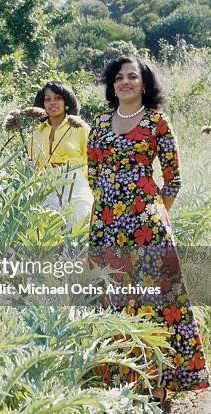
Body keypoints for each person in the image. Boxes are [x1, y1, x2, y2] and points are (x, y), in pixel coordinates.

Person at [88, 56, 208, 401]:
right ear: (112, 85)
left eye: (132, 77)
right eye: (119, 78)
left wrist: (152, 213)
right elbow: (92, 174)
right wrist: (111, 210)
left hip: (148, 228)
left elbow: (173, 180)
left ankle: (159, 383)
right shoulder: (98, 124)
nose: (125, 82)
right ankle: (120, 382)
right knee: (115, 301)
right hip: (107, 226)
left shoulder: (158, 123)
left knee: (154, 302)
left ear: (144, 83)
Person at [29, 80, 93, 225]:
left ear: (66, 101)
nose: (53, 103)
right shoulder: (36, 132)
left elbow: (92, 162)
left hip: (75, 186)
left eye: (58, 98)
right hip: (45, 187)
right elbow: (31, 166)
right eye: (48, 99)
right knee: (50, 236)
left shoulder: (80, 127)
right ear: (42, 104)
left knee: (80, 233)